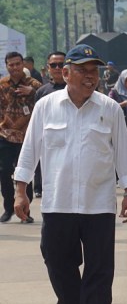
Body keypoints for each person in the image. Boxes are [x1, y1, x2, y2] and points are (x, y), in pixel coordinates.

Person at [13, 43, 127, 304]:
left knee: (99, 267)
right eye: (81, 70)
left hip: (99, 203)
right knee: (56, 260)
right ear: (65, 73)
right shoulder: (46, 106)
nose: (89, 76)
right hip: (58, 202)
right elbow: (30, 150)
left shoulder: (109, 109)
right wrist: (20, 190)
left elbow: (123, 152)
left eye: (93, 71)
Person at [0, 51, 41, 223]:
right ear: (7, 66)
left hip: (26, 136)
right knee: (4, 173)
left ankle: (25, 210)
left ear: (23, 64)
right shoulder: (2, 84)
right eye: (11, 64)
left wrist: (32, 91)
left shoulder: (34, 84)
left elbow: (47, 95)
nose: (15, 67)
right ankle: (8, 208)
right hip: (5, 135)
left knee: (25, 174)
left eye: (18, 64)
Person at [34, 51, 68, 199]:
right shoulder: (42, 92)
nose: (57, 68)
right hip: (49, 141)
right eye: (53, 65)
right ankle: (39, 188)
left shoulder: (78, 90)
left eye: (61, 64)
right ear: (48, 68)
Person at [108, 69, 127, 162]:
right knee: (118, 152)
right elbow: (108, 108)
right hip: (118, 126)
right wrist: (123, 104)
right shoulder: (114, 92)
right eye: (126, 81)